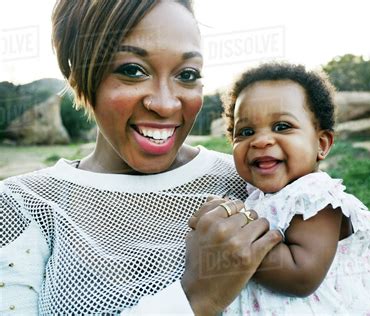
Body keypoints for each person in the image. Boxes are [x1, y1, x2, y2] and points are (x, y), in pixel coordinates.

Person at [0, 1, 281, 314]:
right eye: (132, 70)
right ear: (77, 75)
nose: (165, 104)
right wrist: (195, 298)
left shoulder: (253, 181)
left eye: (187, 74)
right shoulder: (23, 204)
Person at [217, 62, 370, 315]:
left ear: (321, 144)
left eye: (282, 126)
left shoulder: (315, 198)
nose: (260, 141)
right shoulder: (255, 196)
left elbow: (301, 276)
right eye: (245, 131)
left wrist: (228, 244)